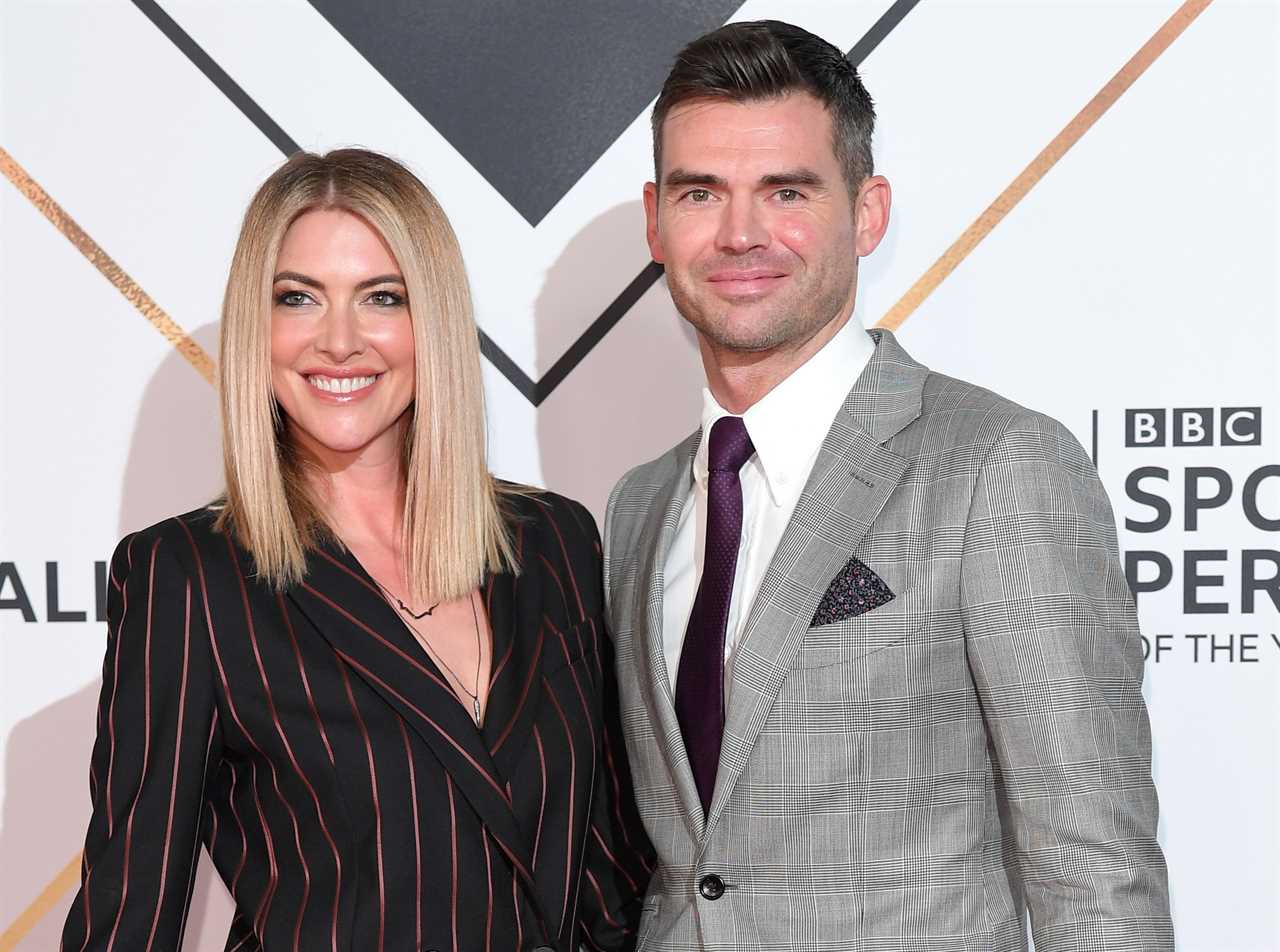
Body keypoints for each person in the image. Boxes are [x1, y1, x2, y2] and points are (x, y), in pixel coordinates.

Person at [603, 20, 1172, 951]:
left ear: (867, 213)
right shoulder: (638, 506)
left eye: (787, 191)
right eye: (701, 192)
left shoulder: (997, 466)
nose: (741, 233)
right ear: (657, 222)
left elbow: (1095, 874)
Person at [63, 148, 652, 952]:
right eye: (297, 298)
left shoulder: (552, 540)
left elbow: (609, 875)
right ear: (257, 328)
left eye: (382, 297)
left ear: (431, 322)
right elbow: (131, 903)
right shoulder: (188, 577)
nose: (339, 342)